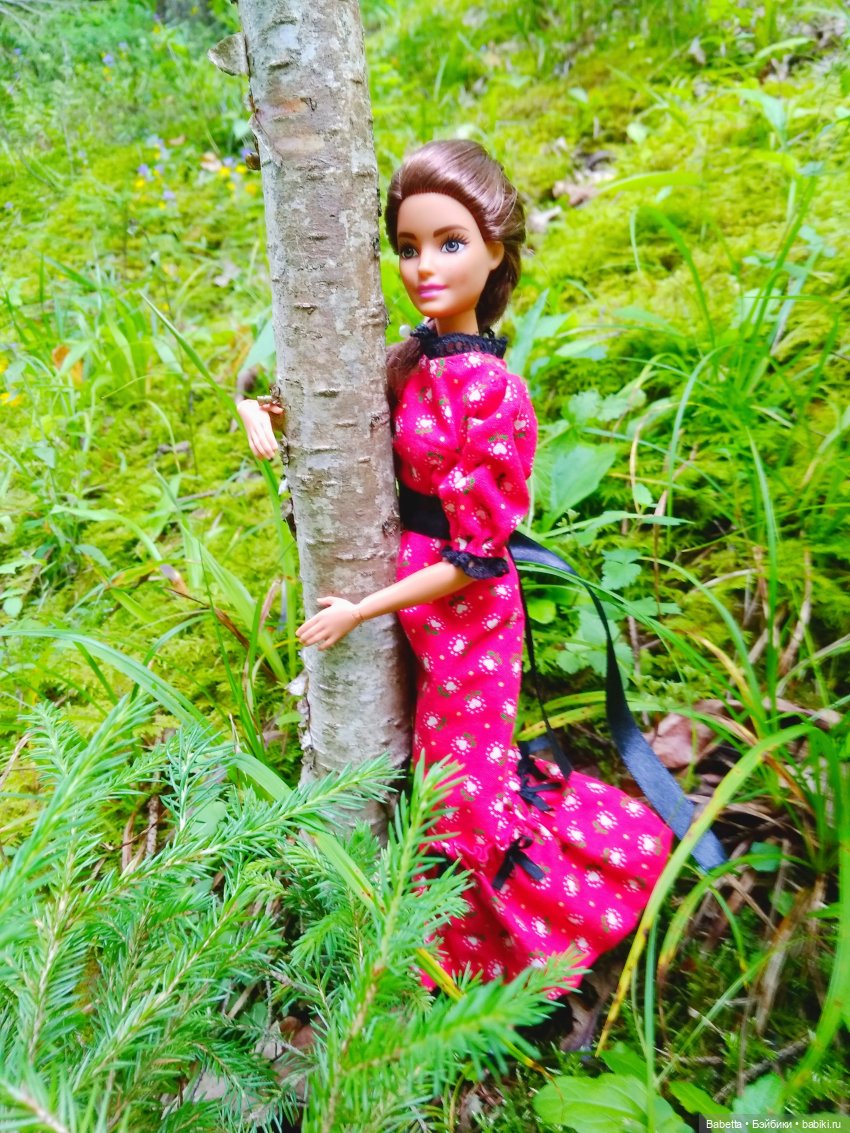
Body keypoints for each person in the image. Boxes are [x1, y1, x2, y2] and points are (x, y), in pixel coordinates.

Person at [238, 140, 672, 998]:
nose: (424, 267)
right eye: (408, 247)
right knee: (443, 780)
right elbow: (342, 421)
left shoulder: (492, 392)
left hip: (467, 617)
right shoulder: (414, 359)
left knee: (461, 794)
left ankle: (525, 949)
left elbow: (477, 558)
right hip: (412, 601)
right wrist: (260, 409)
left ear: (496, 249)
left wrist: (361, 608)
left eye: (449, 243)